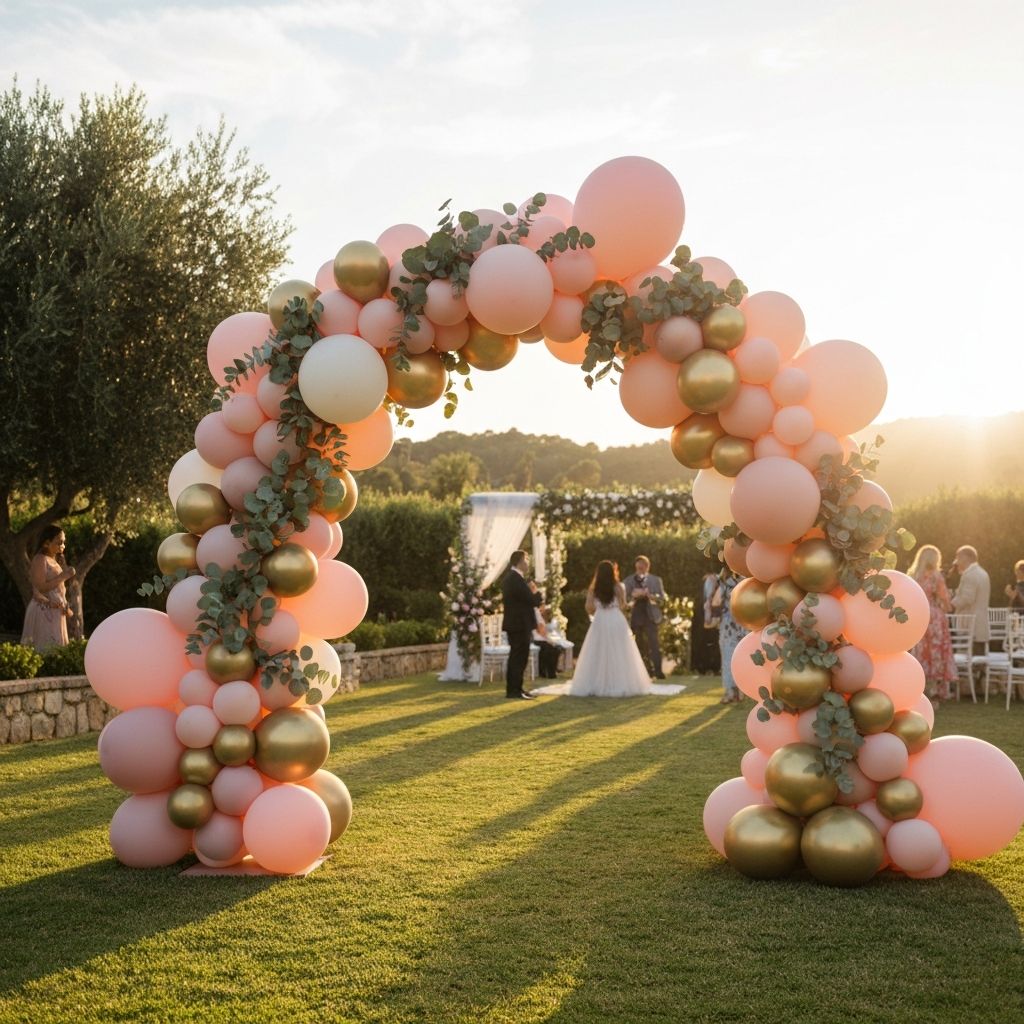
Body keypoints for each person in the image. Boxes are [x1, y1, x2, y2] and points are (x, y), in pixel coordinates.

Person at [566, 561, 655, 696]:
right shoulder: (619, 587)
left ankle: (596, 682)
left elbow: (588, 608)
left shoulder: (593, 589)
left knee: (598, 650)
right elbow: (623, 605)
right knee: (620, 651)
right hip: (616, 619)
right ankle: (620, 682)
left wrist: (599, 610)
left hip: (600, 619)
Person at [908, 545, 958, 702]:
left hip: (918, 616)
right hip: (934, 617)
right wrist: (947, 606)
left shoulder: (913, 575)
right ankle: (936, 689)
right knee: (936, 651)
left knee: (921, 651)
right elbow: (945, 599)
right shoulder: (936, 576)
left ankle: (920, 687)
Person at [21, 525, 75, 650]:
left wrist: (66, 607)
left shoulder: (54, 561)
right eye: (59, 542)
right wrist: (64, 576)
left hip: (56, 612)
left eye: (63, 542)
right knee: (44, 650)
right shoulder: (40, 559)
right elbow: (40, 588)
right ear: (46, 543)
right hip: (43, 611)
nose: (63, 545)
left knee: (56, 652)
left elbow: (59, 590)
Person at [501, 550, 542, 700]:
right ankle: (513, 691)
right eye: (526, 560)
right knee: (517, 658)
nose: (527, 563)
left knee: (519, 657)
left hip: (518, 624)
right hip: (518, 625)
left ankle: (517, 688)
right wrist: (538, 593)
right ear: (519, 561)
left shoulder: (514, 578)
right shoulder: (515, 579)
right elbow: (532, 601)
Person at [623, 555, 666, 679]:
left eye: (642, 567)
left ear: (647, 566)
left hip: (651, 616)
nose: (640, 569)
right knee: (638, 645)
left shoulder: (656, 580)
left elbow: (662, 599)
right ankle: (643, 671)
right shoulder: (628, 581)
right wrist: (634, 596)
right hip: (636, 616)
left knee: (654, 644)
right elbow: (624, 601)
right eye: (638, 567)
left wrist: (650, 595)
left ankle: (658, 671)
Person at [714, 571, 748, 704]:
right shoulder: (749, 583)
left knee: (728, 659)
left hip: (729, 625)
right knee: (743, 660)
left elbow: (716, 601)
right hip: (745, 624)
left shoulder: (724, 584)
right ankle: (740, 692)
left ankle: (730, 692)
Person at [951, 545, 991, 658]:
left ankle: (974, 673)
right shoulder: (982, 572)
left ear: (965, 558)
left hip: (971, 621)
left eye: (958, 559)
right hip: (980, 621)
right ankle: (979, 673)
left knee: (972, 654)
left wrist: (950, 604)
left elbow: (967, 598)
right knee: (979, 654)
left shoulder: (970, 574)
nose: (957, 563)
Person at [690, 570, 723, 675]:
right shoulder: (701, 587)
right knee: (701, 644)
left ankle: (715, 668)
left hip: (716, 620)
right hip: (701, 620)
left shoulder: (720, 587)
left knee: (715, 644)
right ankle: (701, 667)